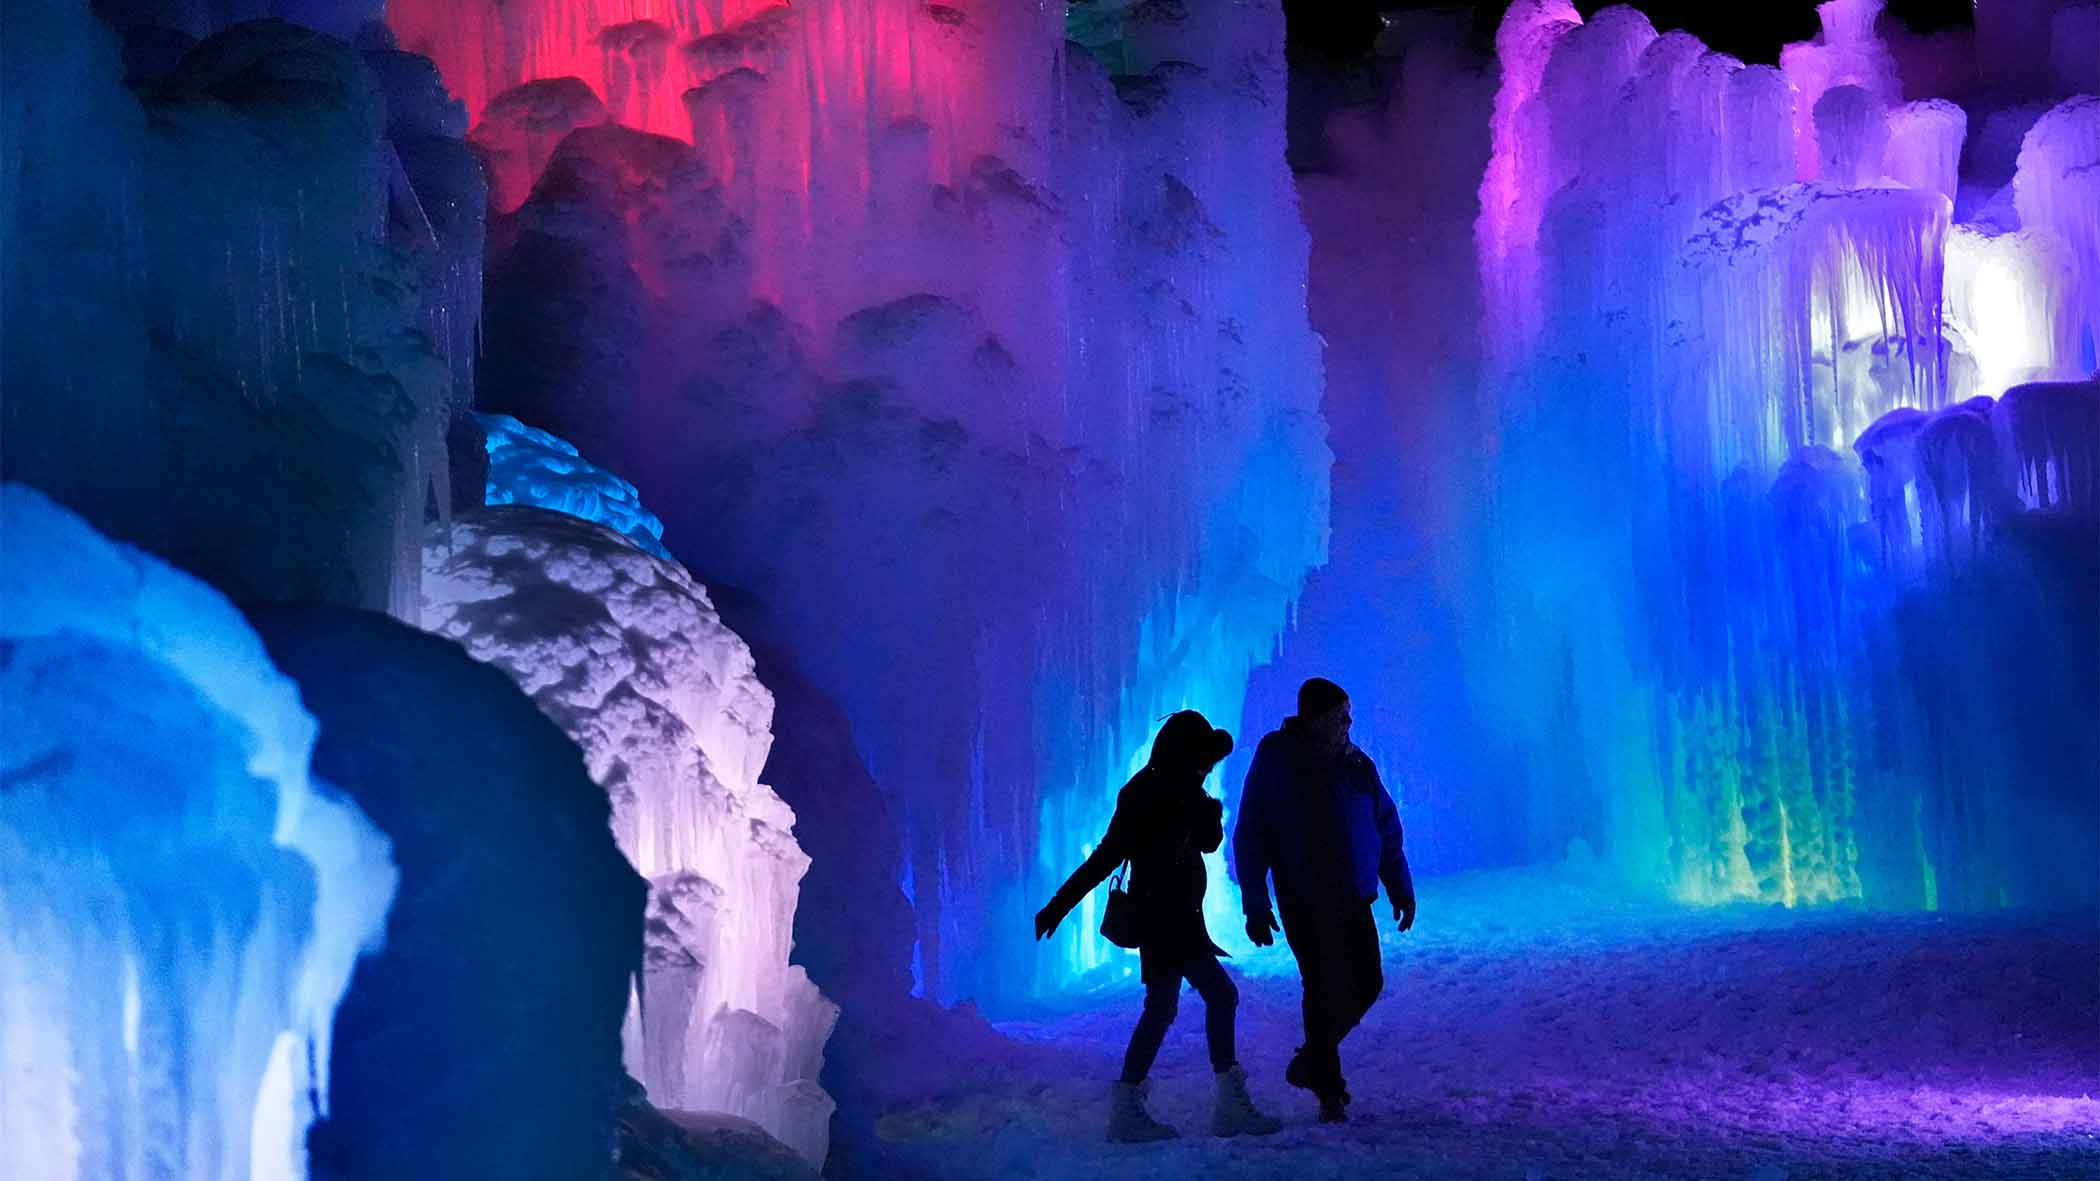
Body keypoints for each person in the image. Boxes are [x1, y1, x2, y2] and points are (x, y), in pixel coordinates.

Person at [1035, 710, 1284, 1142]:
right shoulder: (1149, 795)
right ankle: (1223, 1105)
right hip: (1168, 920)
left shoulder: (1177, 791)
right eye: (1203, 758)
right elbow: (1108, 857)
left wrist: (1206, 809)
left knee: (1163, 1008)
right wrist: (1058, 905)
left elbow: (1205, 843)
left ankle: (1129, 1106)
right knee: (1219, 995)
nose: (1207, 767)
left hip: (1174, 918)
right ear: (1184, 755)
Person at [1233, 677, 1415, 1123]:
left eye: (1348, 716)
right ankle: (1329, 1091)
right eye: (1339, 717)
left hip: (1353, 896)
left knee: (1368, 981)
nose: (1348, 724)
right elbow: (1252, 832)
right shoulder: (1278, 759)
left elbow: (1385, 826)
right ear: (1315, 720)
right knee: (1320, 987)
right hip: (1303, 896)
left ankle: (1314, 1059)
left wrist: (1399, 885)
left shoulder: (1356, 765)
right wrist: (1255, 902)